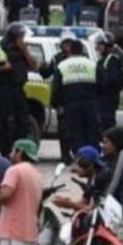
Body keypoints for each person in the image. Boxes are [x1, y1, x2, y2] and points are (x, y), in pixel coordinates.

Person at [0, 23, 38, 155]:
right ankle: (6, 152)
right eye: (21, 37)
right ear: (14, 38)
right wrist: (3, 68)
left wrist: (25, 50)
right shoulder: (0, 51)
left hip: (19, 90)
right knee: (7, 122)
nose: (23, 40)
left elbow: (33, 66)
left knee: (23, 122)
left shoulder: (23, 52)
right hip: (4, 90)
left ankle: (21, 151)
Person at [40, 31, 76, 163]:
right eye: (65, 43)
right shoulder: (56, 58)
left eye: (70, 43)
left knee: (76, 129)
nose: (67, 46)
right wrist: (42, 67)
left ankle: (77, 154)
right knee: (63, 129)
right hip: (61, 98)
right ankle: (65, 155)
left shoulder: (80, 57)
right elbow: (46, 73)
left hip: (75, 97)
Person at [93, 32, 123, 131]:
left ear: (107, 45)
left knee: (107, 126)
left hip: (107, 99)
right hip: (103, 99)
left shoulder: (113, 60)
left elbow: (112, 80)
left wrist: (100, 84)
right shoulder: (105, 60)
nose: (97, 48)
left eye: (100, 45)